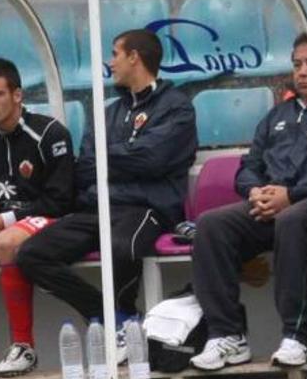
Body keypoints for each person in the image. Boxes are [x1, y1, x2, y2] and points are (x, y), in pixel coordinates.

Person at [16, 29, 197, 362]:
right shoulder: (108, 112)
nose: (110, 62)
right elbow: (85, 168)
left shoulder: (177, 107)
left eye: (115, 53)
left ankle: (124, 314)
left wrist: (110, 156)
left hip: (148, 207)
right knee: (31, 255)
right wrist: (127, 154)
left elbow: (154, 160)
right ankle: (111, 318)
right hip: (98, 206)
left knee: (122, 245)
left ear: (135, 57)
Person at [188, 31, 307, 372]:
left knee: (292, 220)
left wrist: (290, 196)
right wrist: (255, 192)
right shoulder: (278, 115)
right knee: (212, 224)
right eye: (297, 65)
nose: (303, 71)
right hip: (268, 203)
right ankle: (228, 334)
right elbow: (249, 166)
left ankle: (298, 335)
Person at [0, 58, 74, 376]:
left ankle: (24, 346)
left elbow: (60, 201)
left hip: (53, 223)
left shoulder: (50, 133)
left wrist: (7, 219)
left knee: (6, 240)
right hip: (4, 226)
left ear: (17, 95)